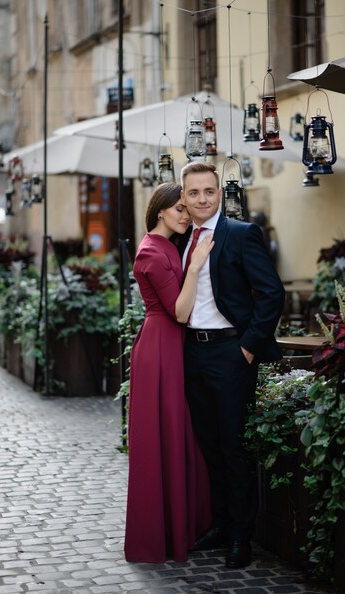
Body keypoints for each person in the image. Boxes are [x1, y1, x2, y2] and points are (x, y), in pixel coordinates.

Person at [179, 162, 285, 569]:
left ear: (219, 193)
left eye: (209, 191)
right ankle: (221, 525)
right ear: (184, 198)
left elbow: (271, 293)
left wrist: (248, 348)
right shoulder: (182, 241)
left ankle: (242, 536)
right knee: (208, 444)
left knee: (233, 446)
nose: (202, 199)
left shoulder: (241, 234)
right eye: (194, 193)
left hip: (230, 352)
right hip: (193, 352)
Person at [124, 182, 214, 563]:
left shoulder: (165, 245)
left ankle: (185, 523)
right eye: (179, 208)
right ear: (160, 211)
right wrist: (194, 267)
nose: (186, 214)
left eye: (186, 208)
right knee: (163, 434)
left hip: (170, 344)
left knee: (178, 432)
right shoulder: (151, 252)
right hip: (161, 346)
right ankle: (160, 534)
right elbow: (178, 310)